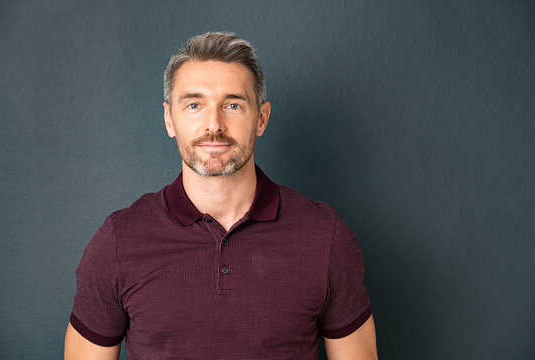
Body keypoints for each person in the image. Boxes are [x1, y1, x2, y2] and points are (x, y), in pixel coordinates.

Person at [64, 32, 378, 359]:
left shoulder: (324, 237)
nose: (214, 124)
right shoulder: (119, 241)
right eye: (195, 104)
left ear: (262, 117)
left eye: (232, 104)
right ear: (170, 118)